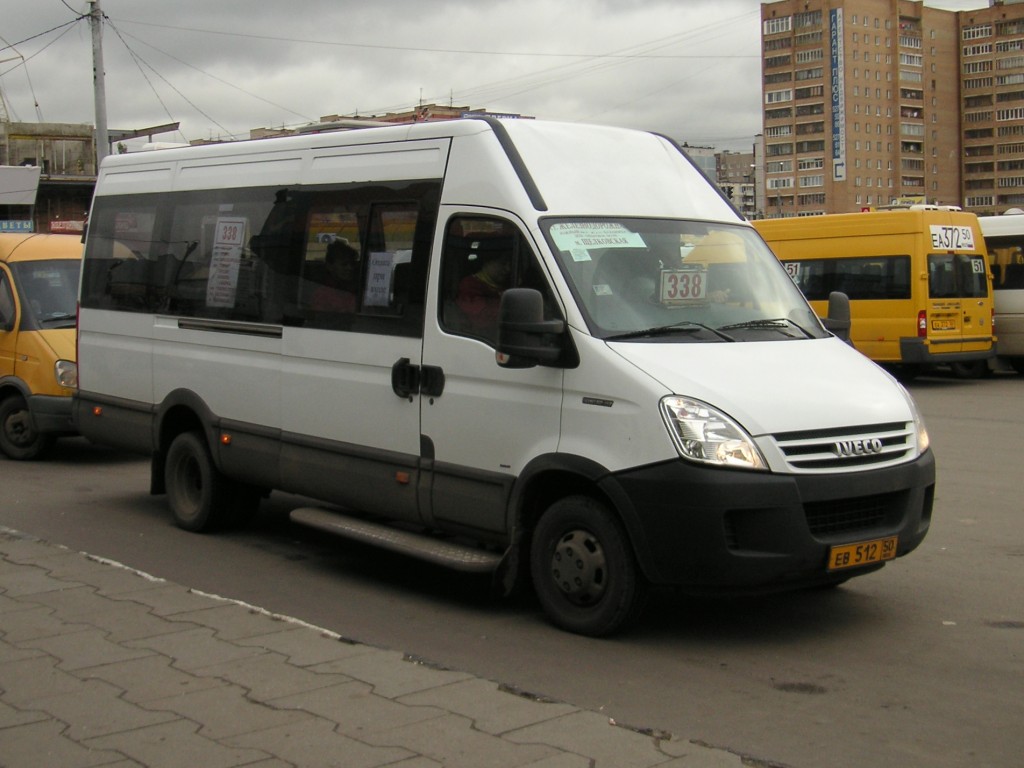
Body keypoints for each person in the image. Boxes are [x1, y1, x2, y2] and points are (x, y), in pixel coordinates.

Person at [455, 251, 511, 337]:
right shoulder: (469, 285)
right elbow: (482, 321)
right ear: (487, 262)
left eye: (510, 264)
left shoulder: (506, 285)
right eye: (503, 263)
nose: (508, 268)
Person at [310, 240, 359, 313]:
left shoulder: (358, 287)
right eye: (344, 264)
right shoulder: (322, 295)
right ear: (330, 266)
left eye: (352, 264)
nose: (350, 268)